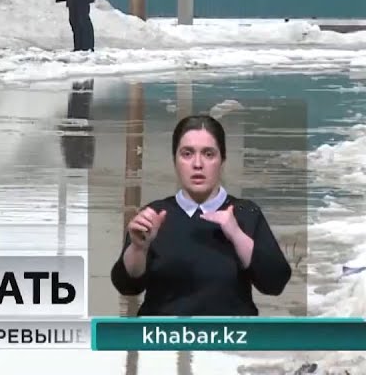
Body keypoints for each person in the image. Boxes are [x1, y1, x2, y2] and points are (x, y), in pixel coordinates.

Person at [110, 115, 291, 316]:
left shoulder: (246, 212)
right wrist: (138, 248)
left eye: (208, 154)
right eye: (187, 154)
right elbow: (127, 286)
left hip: (230, 341)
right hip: (164, 340)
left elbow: (275, 283)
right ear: (175, 160)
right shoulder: (154, 215)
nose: (197, 164)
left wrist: (236, 234)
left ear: (222, 160)